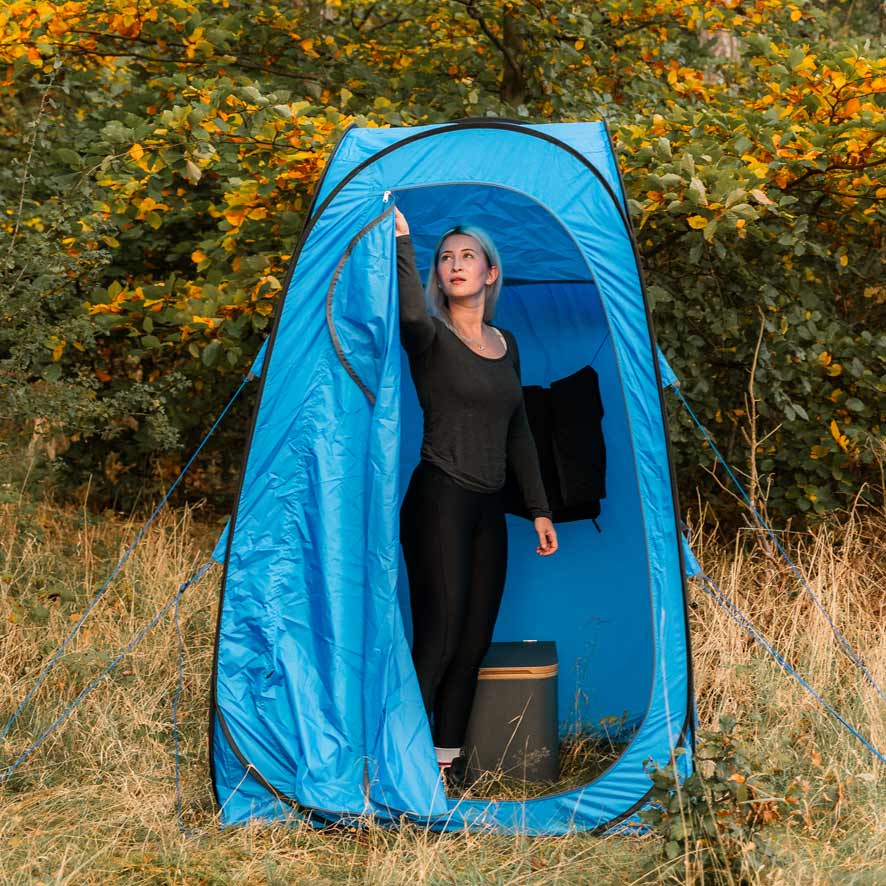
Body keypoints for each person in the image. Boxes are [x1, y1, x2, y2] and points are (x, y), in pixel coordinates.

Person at [394, 206, 558, 789]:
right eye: (445, 259)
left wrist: (539, 509)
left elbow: (519, 430)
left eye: (467, 257)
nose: (454, 265)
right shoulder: (429, 336)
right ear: (436, 276)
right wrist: (405, 244)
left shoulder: (505, 343)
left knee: (472, 644)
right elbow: (410, 313)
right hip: (439, 497)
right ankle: (399, 769)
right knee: (436, 641)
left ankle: (445, 768)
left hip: (490, 507)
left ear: (491, 273)